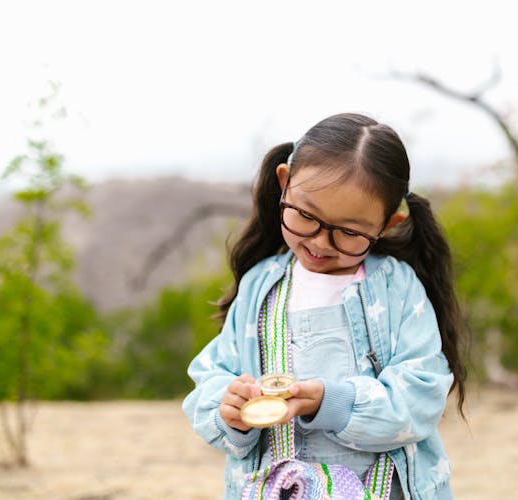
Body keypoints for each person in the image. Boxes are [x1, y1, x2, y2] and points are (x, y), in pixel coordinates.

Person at [183, 112, 467, 499]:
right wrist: (228, 410)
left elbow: (420, 397)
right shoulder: (259, 287)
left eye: (349, 232)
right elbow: (211, 382)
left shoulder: (396, 288)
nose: (320, 243)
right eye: (306, 216)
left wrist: (332, 403)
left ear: (387, 223)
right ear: (285, 184)